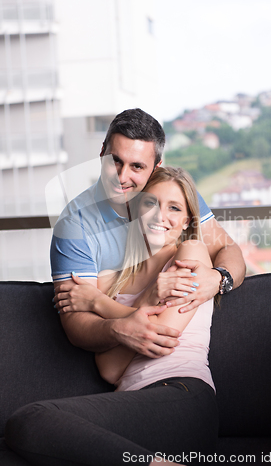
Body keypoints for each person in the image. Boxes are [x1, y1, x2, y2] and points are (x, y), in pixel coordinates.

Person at [5, 167, 219, 466]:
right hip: (134, 403)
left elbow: (157, 338)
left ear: (186, 221)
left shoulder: (190, 253)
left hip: (182, 397)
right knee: (29, 425)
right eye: (149, 203)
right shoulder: (115, 278)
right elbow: (110, 369)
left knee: (33, 419)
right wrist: (146, 299)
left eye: (174, 208)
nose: (160, 215)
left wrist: (99, 304)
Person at [50, 108, 246, 361]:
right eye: (115, 160)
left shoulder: (173, 195)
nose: (122, 176)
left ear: (156, 167)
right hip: (110, 361)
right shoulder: (74, 225)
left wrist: (219, 279)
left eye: (137, 166)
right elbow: (76, 324)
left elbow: (228, 250)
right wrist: (122, 330)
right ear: (101, 153)